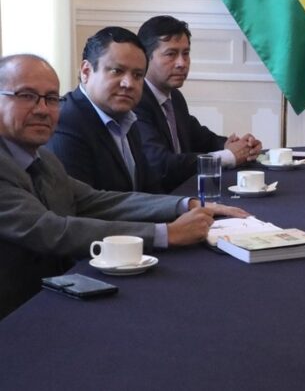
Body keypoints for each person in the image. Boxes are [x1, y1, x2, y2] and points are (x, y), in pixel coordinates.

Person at [0, 54, 248, 319]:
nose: (42, 109)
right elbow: (52, 230)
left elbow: (95, 200)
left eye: (51, 98)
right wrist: (166, 234)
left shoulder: (43, 158)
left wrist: (184, 204)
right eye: (26, 96)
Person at [134, 15, 262, 192]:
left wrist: (240, 147)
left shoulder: (174, 97)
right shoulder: (136, 101)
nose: (181, 63)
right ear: (144, 58)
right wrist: (228, 156)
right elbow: (161, 164)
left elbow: (203, 139)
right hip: (159, 200)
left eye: (185, 54)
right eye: (171, 54)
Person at [46, 27, 161, 193]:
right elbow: (81, 205)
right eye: (117, 71)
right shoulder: (65, 123)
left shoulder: (127, 119)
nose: (128, 84)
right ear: (86, 72)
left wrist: (184, 204)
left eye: (137, 75)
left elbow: (149, 189)